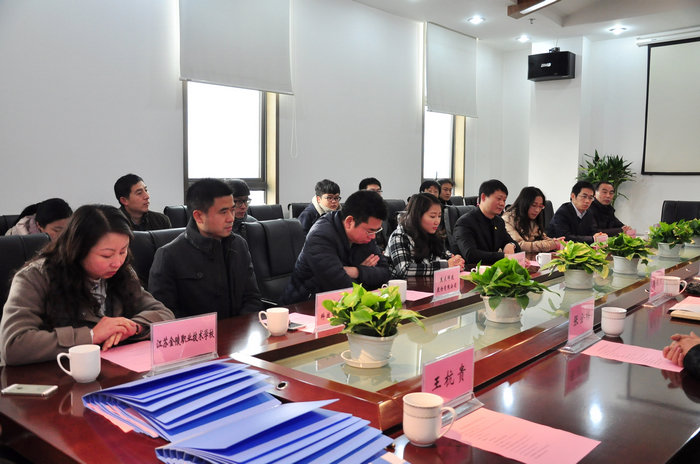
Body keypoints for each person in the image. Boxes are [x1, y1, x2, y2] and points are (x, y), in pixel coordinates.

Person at [0, 205, 174, 366]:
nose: (117, 262)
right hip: (57, 376)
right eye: (106, 255)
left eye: (123, 251)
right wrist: (91, 335)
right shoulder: (35, 277)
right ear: (78, 249)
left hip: (112, 371)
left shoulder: (122, 272)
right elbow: (14, 345)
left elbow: (163, 313)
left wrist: (133, 327)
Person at [148, 178, 263, 319]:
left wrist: (239, 328)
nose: (231, 218)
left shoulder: (239, 244)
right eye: (223, 212)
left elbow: (252, 298)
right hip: (197, 332)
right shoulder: (169, 256)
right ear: (199, 216)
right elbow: (165, 315)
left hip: (240, 330)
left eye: (232, 210)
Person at [280, 190, 390, 304]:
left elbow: (385, 273)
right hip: (304, 306)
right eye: (370, 231)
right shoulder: (320, 236)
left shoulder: (365, 236)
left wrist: (356, 271)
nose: (373, 237)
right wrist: (367, 274)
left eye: (376, 231)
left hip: (341, 304)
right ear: (349, 222)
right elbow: (341, 287)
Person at [386, 193, 465, 278]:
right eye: (432, 216)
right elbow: (405, 270)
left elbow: (444, 256)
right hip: (403, 285)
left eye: (439, 216)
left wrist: (455, 260)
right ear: (417, 216)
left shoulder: (432, 233)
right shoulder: (399, 236)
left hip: (427, 283)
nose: (437, 221)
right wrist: (445, 265)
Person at [453, 179, 520, 265]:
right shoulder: (465, 222)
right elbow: (471, 255)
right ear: (483, 197)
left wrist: (511, 245)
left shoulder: (498, 221)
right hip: (470, 270)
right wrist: (503, 256)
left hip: (492, 269)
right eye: (499, 199)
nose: (502, 204)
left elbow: (514, 244)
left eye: (504, 200)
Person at [502, 187, 563, 254]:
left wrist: (555, 241)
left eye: (540, 206)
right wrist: (552, 244)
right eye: (534, 205)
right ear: (524, 204)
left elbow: (543, 237)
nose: (537, 210)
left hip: (533, 258)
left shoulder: (533, 219)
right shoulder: (507, 219)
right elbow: (519, 245)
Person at [5, 198, 73, 241]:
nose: (64, 235)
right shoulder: (16, 241)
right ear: (39, 225)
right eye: (57, 230)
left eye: (67, 230)